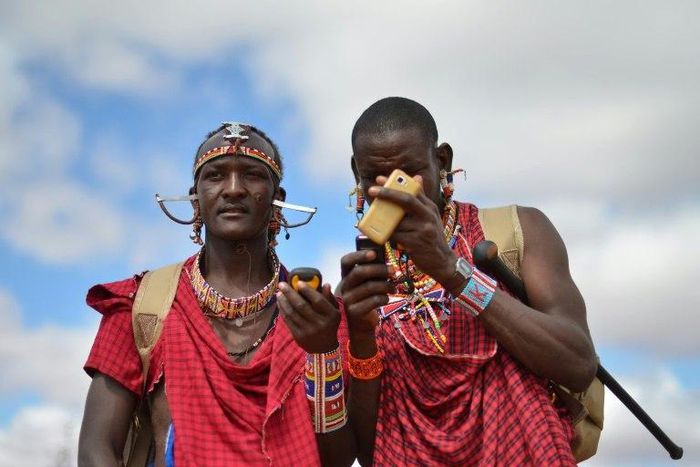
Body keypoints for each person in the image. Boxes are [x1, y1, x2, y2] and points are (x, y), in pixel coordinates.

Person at [340, 97, 598, 466]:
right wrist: (361, 337)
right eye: (374, 179)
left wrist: (452, 271)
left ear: (441, 160)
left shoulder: (516, 231)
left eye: (408, 174)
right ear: (356, 174)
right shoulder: (361, 286)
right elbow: (367, 451)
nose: (394, 193)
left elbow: (577, 362)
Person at [78, 122, 354, 466]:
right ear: (196, 198)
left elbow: (339, 459)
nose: (234, 189)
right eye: (215, 176)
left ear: (277, 199)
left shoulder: (321, 316)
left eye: (252, 175)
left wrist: (323, 351)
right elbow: (96, 449)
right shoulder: (141, 306)